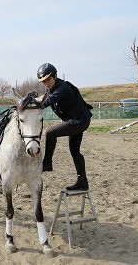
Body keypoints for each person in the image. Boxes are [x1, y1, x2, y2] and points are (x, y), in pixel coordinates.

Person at [37, 63, 92, 191]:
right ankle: (82, 181)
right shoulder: (51, 89)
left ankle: (47, 163)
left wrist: (34, 105)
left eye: (48, 80)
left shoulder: (62, 87)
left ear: (55, 76)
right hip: (75, 121)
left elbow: (48, 101)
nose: (46, 83)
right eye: (43, 82)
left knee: (50, 133)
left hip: (79, 121)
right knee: (75, 151)